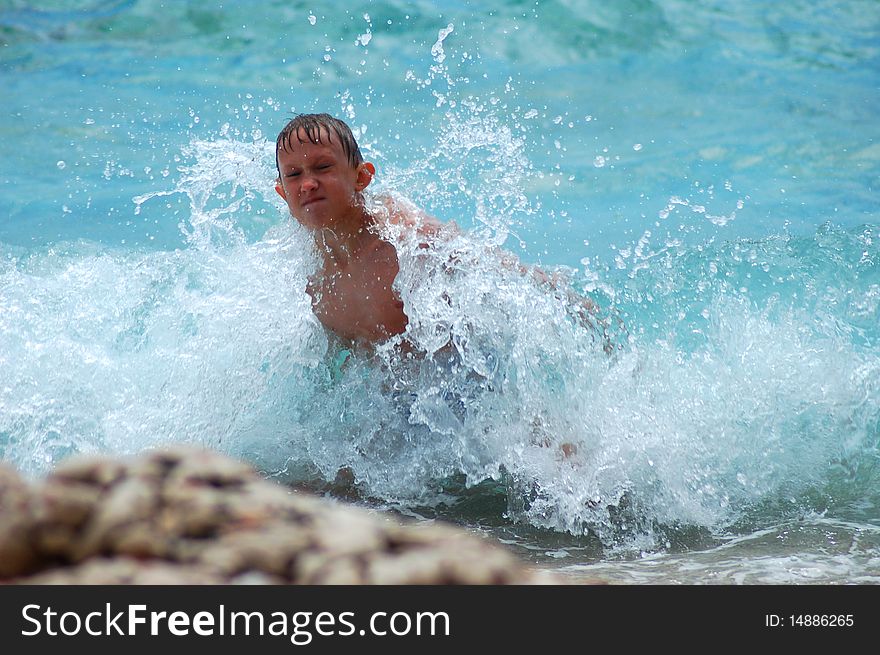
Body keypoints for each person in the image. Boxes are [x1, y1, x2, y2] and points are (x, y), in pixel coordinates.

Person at [275, 112, 607, 354]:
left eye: (322, 167)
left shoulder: (403, 238)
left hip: (462, 378)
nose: (307, 184)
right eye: (293, 174)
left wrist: (575, 307)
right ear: (282, 194)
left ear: (361, 177)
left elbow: (498, 272)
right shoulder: (304, 266)